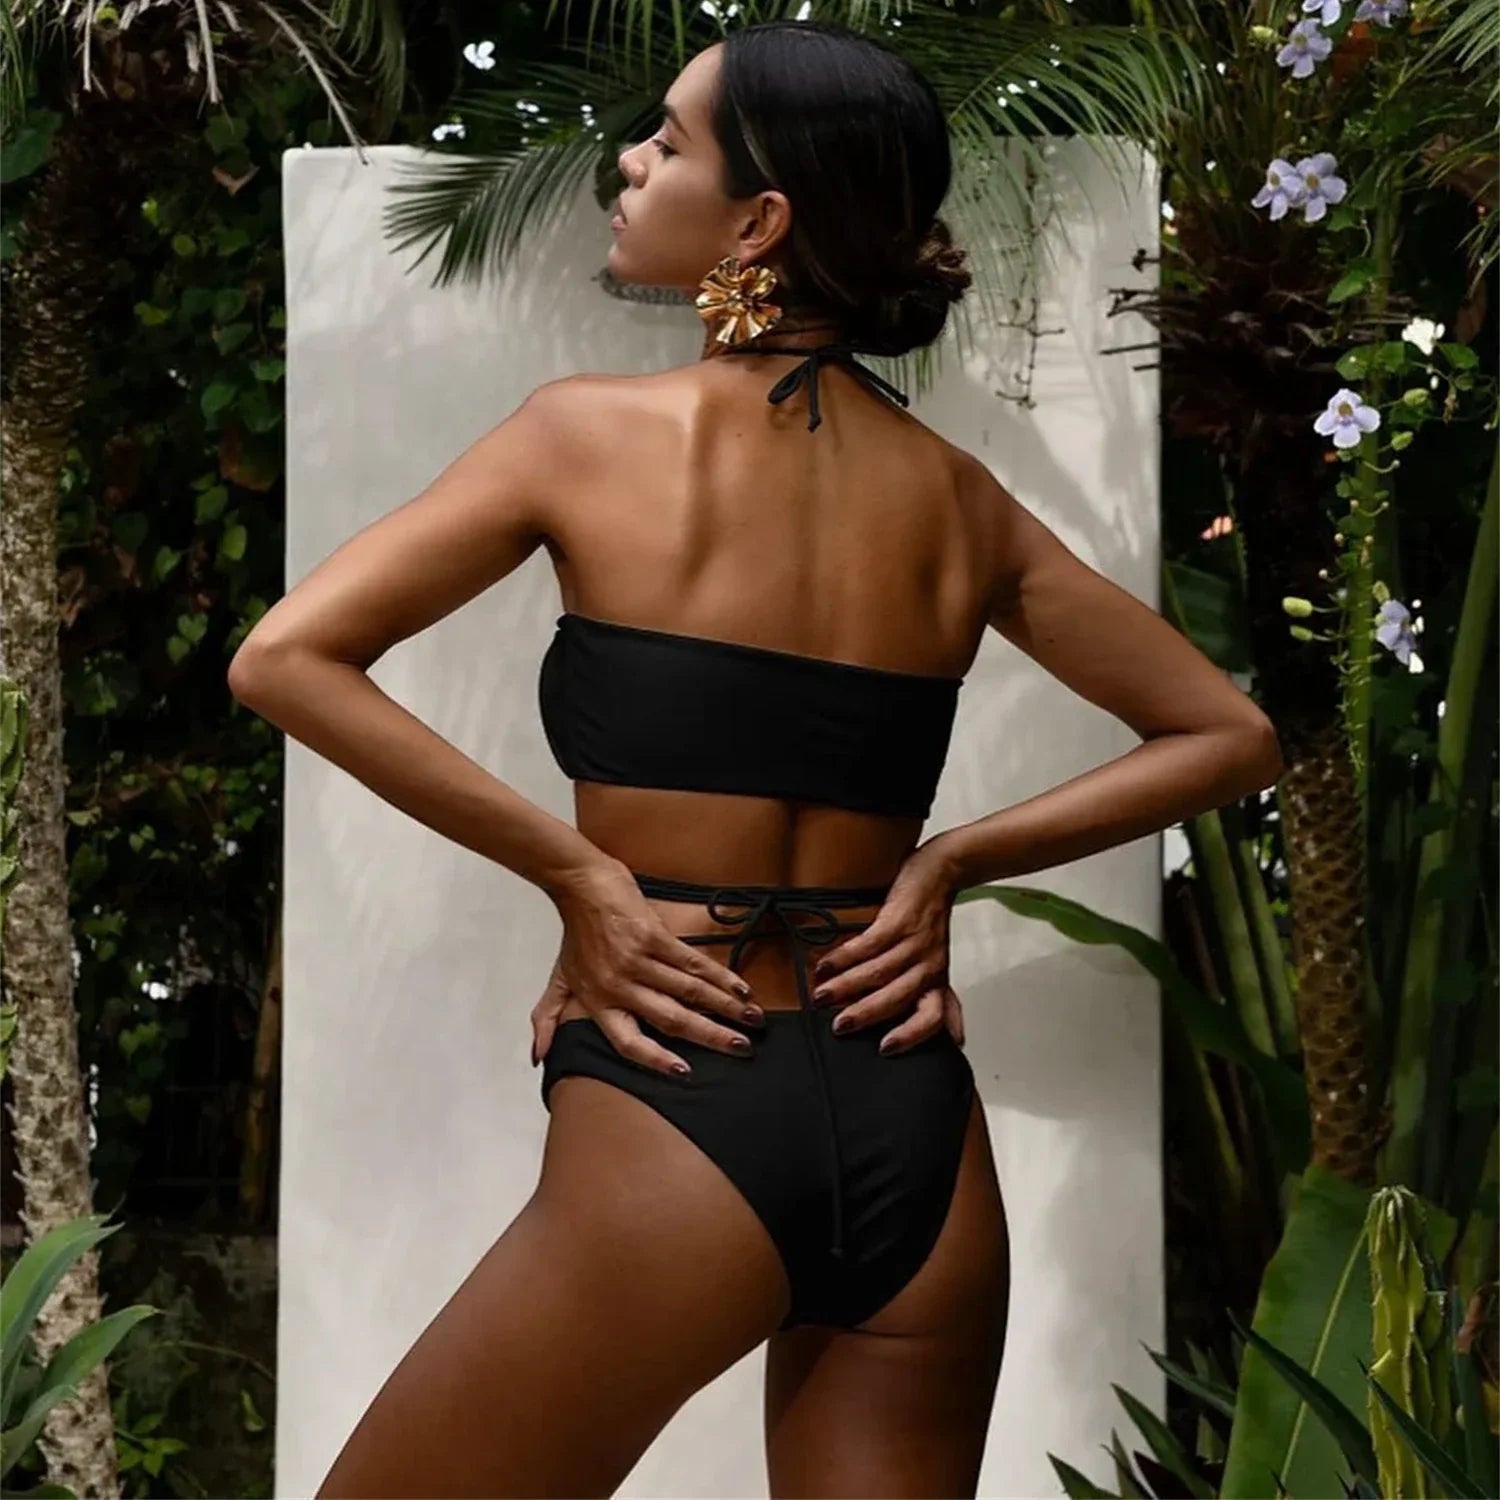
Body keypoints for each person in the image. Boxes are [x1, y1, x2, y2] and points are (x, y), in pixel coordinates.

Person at [229, 19, 1283, 1498]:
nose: (628, 163)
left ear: (760, 222)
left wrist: (580, 879)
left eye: (667, 142)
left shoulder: (577, 439)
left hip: (687, 1100)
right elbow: (1229, 732)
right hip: (917, 1135)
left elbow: (283, 659)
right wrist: (949, 864)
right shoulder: (961, 503)